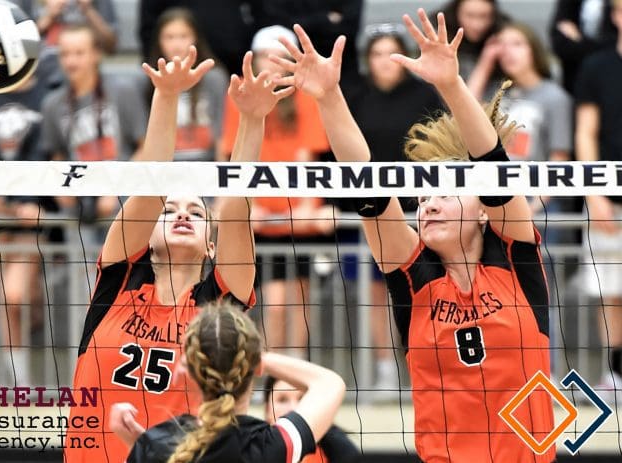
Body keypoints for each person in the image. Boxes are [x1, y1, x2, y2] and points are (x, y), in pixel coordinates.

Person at [271, 11, 554, 462]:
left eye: (445, 194)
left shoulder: (516, 260)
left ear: (485, 211)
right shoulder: (413, 276)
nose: (428, 204)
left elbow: (492, 163)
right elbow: (364, 182)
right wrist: (328, 97)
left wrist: (450, 85)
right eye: (422, 199)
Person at [64, 47, 293, 463]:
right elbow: (150, 185)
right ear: (148, 234)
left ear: (212, 243)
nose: (182, 215)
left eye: (195, 212)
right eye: (169, 210)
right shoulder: (119, 280)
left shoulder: (219, 308)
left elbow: (236, 206)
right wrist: (166, 97)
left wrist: (252, 119)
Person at [109, 301, 346, 463]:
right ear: (250, 368)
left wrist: (143, 447)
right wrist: (259, 359)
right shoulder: (269, 446)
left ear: (189, 369)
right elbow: (330, 383)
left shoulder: (156, 444)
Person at [220, 25, 334, 358]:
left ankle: (294, 371)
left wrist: (305, 209)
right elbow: (234, 153)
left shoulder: (305, 97)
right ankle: (267, 369)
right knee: (274, 306)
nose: (272, 65)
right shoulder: (239, 96)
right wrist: (244, 207)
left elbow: (307, 159)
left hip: (296, 221)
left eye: (280, 58)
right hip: (261, 221)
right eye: (266, 59)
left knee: (298, 304)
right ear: (253, 61)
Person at [346, 23, 443, 400]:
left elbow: (441, 150)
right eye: (376, 55)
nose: (384, 62)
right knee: (373, 290)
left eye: (391, 54)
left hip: (418, 211)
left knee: (421, 291)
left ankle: (426, 365)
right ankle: (387, 369)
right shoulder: (357, 95)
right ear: (367, 61)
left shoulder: (426, 96)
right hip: (368, 211)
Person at [0, 72, 51, 386]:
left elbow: (45, 153)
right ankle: (21, 385)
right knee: (8, 300)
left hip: (31, 213)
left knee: (13, 295)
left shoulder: (45, 94)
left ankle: (36, 298)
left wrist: (27, 200)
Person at [40, 24, 147, 244]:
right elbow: (57, 155)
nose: (71, 61)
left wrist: (118, 189)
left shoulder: (123, 91)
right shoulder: (52, 104)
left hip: (122, 201)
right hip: (79, 204)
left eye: (79, 53)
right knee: (83, 274)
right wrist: (63, 189)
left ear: (96, 54)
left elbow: (145, 147)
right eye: (65, 54)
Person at [469, 22, 573, 217]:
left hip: (540, 203)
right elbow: (464, 111)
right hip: (498, 196)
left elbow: (559, 157)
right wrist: (486, 61)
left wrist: (535, 206)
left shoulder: (555, 97)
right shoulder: (496, 92)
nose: (508, 52)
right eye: (503, 46)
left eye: (517, 44)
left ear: (533, 49)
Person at [575, 0, 622, 405]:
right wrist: (594, 192)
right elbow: (586, 132)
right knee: (612, 290)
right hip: (610, 200)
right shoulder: (598, 67)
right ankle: (616, 371)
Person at [147, 8, 228, 162]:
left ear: (196, 38)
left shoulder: (214, 77)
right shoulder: (150, 78)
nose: (176, 45)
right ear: (159, 41)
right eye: (169, 37)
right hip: (164, 164)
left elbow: (221, 134)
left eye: (183, 36)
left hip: (206, 167)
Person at [262, 375, 359, 463]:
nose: (293, 408)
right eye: (282, 400)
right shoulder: (256, 449)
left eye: (301, 398)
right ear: (267, 410)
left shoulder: (337, 449)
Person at [550, 0, 617, 95]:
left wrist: (579, 39)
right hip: (574, 80)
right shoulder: (568, 4)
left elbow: (613, 45)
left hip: (612, 77)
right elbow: (559, 43)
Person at [437, 0, 509, 82]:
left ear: (493, 16)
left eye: (484, 16)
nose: (477, 25)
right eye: (470, 16)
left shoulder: (503, 34)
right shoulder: (438, 38)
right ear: (456, 13)